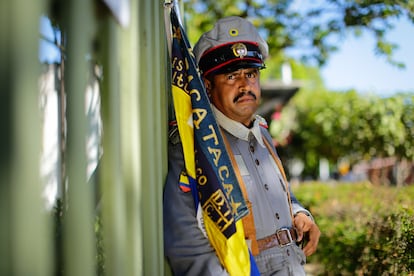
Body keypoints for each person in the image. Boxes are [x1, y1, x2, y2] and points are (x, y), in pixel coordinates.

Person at [163, 16, 320, 276]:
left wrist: (301, 214)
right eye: (232, 76)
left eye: (251, 74)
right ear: (208, 87)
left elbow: (279, 195)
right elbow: (184, 240)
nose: (245, 85)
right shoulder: (197, 145)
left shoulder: (261, 133)